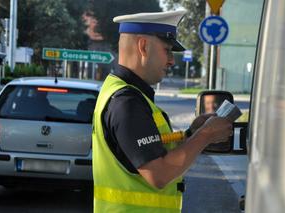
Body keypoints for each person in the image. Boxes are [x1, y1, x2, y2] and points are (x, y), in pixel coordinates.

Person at [92, 10, 233, 213]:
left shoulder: (124, 94)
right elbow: (158, 175)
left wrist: (191, 134)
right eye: (167, 50)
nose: (171, 61)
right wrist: (205, 135)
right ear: (143, 46)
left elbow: (154, 152)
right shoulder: (127, 103)